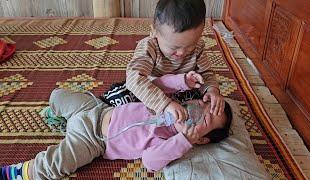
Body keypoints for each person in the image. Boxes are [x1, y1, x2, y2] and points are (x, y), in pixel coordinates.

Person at [0, 72, 232, 180]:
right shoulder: (168, 104)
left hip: (93, 140)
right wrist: (182, 81)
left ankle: (17, 173)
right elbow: (154, 84)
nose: (197, 111)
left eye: (204, 119)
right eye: (202, 104)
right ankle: (61, 115)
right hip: (96, 109)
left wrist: (183, 141)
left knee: (59, 162)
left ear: (201, 139)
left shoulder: (168, 141)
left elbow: (150, 162)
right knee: (58, 95)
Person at [126, 0, 225, 123]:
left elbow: (207, 73)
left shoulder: (198, 47)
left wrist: (212, 90)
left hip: (185, 90)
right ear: (154, 32)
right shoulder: (149, 47)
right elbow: (133, 79)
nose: (182, 53)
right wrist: (165, 104)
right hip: (155, 92)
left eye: (190, 45)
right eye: (174, 47)